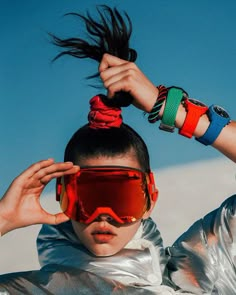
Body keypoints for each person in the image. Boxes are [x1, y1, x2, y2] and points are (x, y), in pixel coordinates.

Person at [0, 5, 236, 295]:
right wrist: (2, 219)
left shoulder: (199, 274)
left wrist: (173, 109)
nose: (103, 215)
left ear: (150, 198)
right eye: (88, 197)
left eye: (121, 197)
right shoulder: (19, 291)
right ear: (62, 196)